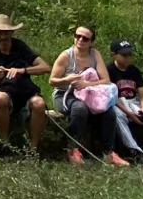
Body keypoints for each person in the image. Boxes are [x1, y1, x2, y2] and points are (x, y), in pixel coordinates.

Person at [50, 26, 129, 167]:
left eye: (85, 38)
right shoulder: (66, 56)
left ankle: (109, 152)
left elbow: (106, 80)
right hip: (64, 94)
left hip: (89, 94)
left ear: (91, 42)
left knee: (109, 112)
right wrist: (67, 80)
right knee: (80, 108)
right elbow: (52, 81)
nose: (80, 40)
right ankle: (72, 149)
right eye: (77, 36)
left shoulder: (95, 54)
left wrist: (86, 84)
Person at [0, 15, 50, 153]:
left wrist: (22, 70)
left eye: (6, 32)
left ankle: (33, 149)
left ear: (11, 32)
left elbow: (46, 67)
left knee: (39, 104)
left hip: (24, 90)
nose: (2, 36)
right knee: (1, 98)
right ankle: (4, 143)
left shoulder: (20, 47)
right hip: (3, 91)